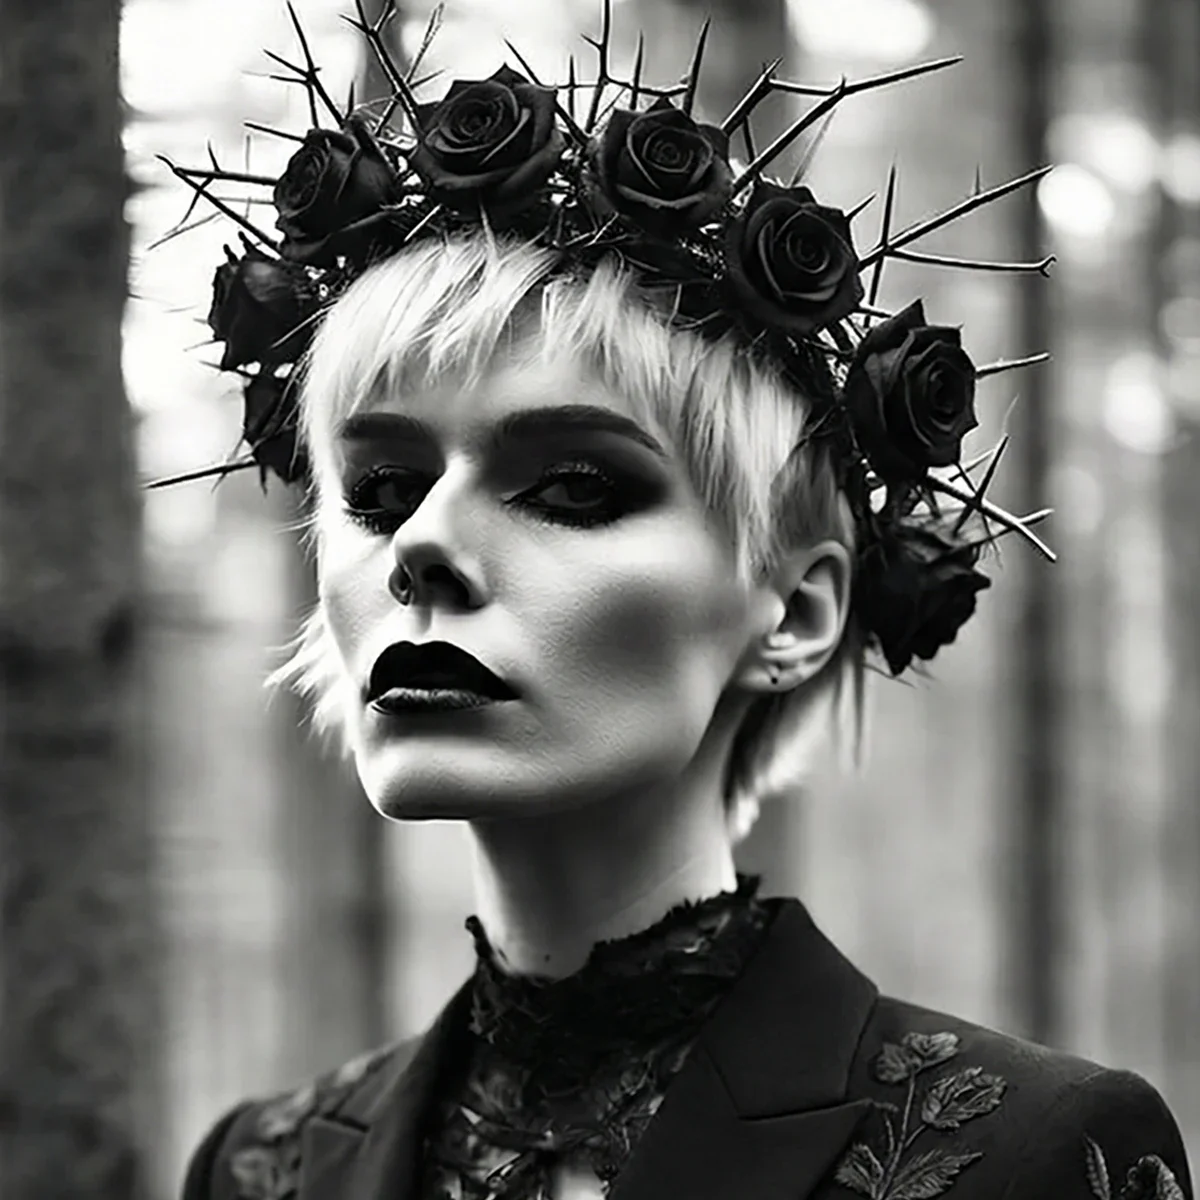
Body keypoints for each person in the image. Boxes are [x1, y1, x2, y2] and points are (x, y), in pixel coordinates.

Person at [170, 11, 1192, 1200]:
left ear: (797, 613)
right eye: (381, 487)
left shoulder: (1027, 1152)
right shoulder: (256, 1172)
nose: (423, 545)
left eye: (573, 487)